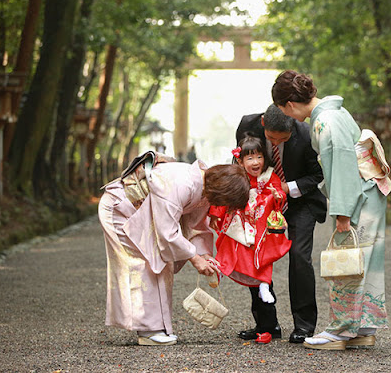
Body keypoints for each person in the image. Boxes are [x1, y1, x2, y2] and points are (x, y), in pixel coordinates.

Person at [272, 70, 389, 351]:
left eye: (282, 110)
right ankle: (362, 328)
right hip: (367, 193)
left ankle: (340, 329)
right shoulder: (335, 113)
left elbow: (343, 168)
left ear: (289, 104)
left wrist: (342, 214)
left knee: (346, 262)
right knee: (363, 263)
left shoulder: (326, 121)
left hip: (356, 196)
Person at [98, 152, 250, 346]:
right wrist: (195, 258)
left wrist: (203, 254)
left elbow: (195, 226)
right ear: (222, 192)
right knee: (143, 263)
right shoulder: (181, 183)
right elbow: (167, 232)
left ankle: (156, 327)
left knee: (160, 265)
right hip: (121, 209)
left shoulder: (204, 188)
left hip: (144, 215)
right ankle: (148, 330)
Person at [235, 104, 327, 344]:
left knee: (299, 255)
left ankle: (304, 326)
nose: (274, 144)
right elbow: (241, 162)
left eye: (282, 139)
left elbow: (317, 175)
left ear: (292, 130)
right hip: (260, 202)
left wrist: (287, 188)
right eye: (271, 139)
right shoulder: (248, 125)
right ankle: (266, 324)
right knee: (255, 255)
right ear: (264, 124)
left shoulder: (307, 134)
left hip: (300, 202)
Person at [209, 136, 292, 320]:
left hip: (261, 229)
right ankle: (221, 268)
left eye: (259, 157)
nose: (256, 162)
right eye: (250, 158)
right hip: (242, 227)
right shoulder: (237, 177)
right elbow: (225, 195)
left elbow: (280, 195)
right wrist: (216, 213)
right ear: (240, 160)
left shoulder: (270, 176)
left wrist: (276, 195)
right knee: (233, 249)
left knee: (262, 260)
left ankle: (268, 320)